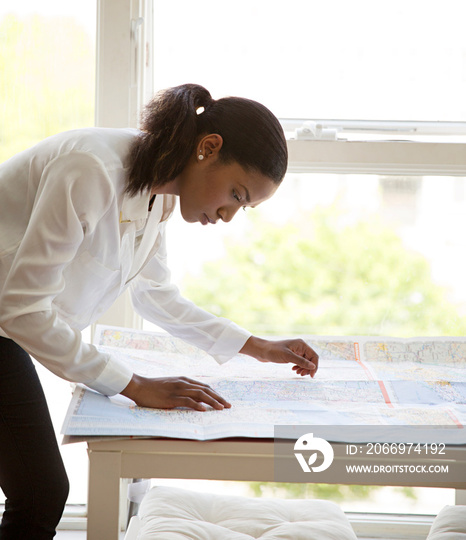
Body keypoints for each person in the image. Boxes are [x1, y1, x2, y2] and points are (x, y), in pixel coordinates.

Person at [0, 83, 319, 539]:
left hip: (7, 323)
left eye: (242, 207)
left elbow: (155, 295)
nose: (228, 215)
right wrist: (133, 385)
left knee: (37, 489)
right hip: (4, 322)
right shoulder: (90, 169)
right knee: (41, 491)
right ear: (208, 148)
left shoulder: (162, 196)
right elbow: (23, 309)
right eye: (236, 193)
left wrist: (257, 346)